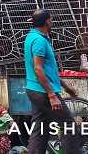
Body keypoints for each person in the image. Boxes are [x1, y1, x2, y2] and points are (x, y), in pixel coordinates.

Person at [24, 9, 79, 154]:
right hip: (43, 92)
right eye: (51, 19)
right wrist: (52, 95)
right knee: (68, 125)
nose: (52, 22)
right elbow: (38, 69)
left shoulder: (32, 36)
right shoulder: (39, 41)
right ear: (47, 21)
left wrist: (66, 88)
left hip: (35, 90)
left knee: (40, 128)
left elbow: (49, 71)